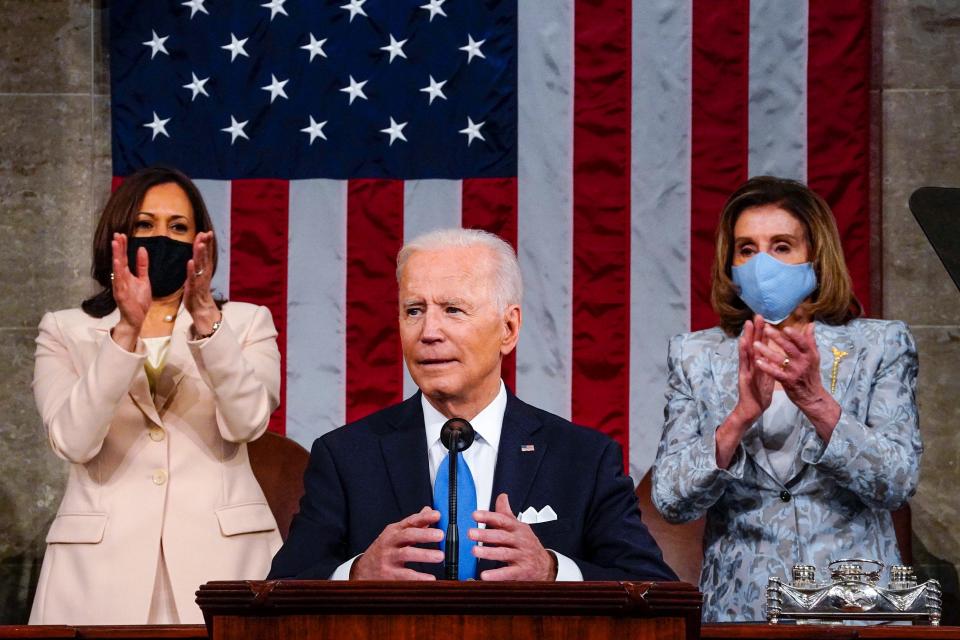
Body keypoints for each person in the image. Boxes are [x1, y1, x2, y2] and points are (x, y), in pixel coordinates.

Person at [269, 228, 676, 582]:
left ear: (509, 328)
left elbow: (652, 590)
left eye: (452, 310)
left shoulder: (583, 459)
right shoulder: (346, 457)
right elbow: (280, 592)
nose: (429, 332)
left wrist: (552, 570)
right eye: (414, 310)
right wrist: (356, 574)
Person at [651, 176, 922, 621]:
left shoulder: (881, 346)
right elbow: (671, 500)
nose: (763, 264)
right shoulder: (695, 355)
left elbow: (896, 483)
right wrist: (738, 419)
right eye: (747, 249)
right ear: (731, 267)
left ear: (815, 256)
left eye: (781, 246)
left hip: (855, 612)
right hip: (740, 613)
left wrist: (817, 403)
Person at [29, 166, 282, 625]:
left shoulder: (246, 323)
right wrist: (125, 330)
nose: (161, 238)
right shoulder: (65, 329)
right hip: (97, 574)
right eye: (145, 225)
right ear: (118, 235)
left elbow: (247, 423)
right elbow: (73, 441)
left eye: (178, 227)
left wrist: (207, 320)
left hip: (223, 565)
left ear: (201, 242)